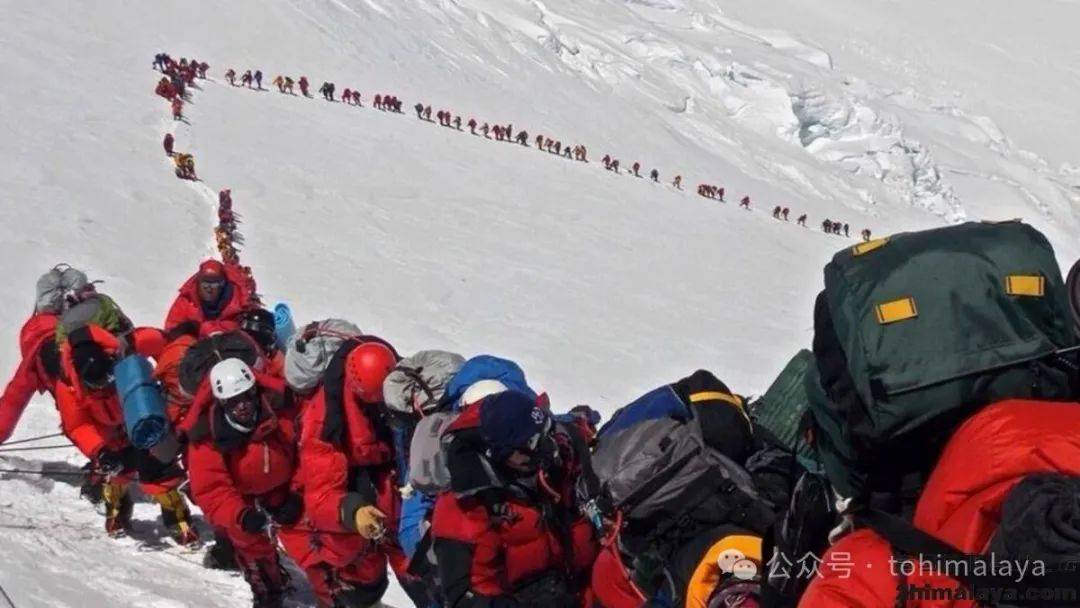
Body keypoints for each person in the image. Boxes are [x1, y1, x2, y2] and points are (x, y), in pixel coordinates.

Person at [286, 338, 426, 607]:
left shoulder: (402, 394)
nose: (380, 408)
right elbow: (321, 496)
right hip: (353, 510)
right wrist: (353, 511)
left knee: (421, 575)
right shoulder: (324, 422)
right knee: (360, 577)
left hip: (395, 499)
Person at [432, 390, 598, 607]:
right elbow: (468, 595)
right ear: (498, 453)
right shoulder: (466, 508)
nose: (544, 448)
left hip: (574, 583)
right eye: (530, 444)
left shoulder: (549, 462)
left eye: (545, 433)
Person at [56, 323, 195, 541]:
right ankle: (117, 513)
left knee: (157, 469)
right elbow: (77, 425)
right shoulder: (67, 385)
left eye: (108, 379)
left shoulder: (126, 347)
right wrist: (99, 450)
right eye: (98, 384)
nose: (104, 386)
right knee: (116, 471)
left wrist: (167, 377)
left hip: (142, 417)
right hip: (108, 433)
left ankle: (177, 518)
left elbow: (163, 343)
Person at [185, 359, 299, 607]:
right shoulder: (207, 438)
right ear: (222, 403)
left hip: (284, 492)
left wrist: (297, 493)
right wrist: (240, 515)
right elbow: (212, 490)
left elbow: (304, 457)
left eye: (247, 396)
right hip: (243, 503)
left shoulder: (281, 416)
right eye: (234, 401)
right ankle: (268, 590)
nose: (243, 406)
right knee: (251, 546)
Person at [164, 259, 254, 340]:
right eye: (205, 283)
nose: (209, 288)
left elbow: (247, 332)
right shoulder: (187, 299)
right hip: (193, 351)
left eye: (214, 284)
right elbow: (171, 328)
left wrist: (215, 329)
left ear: (222, 285)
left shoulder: (240, 301)